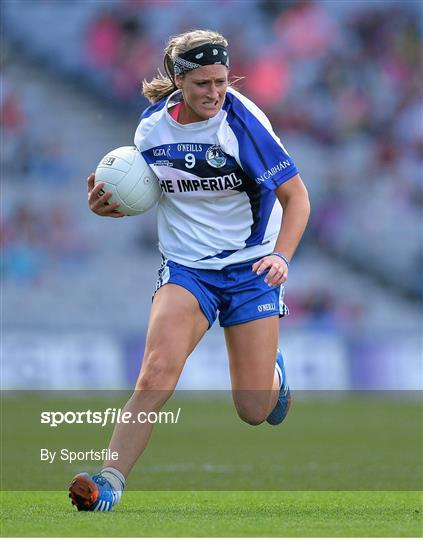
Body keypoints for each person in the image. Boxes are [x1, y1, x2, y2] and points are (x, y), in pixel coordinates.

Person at [69, 29, 310, 512]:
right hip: (187, 268)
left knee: (252, 410)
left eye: (221, 81)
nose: (215, 93)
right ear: (178, 80)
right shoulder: (150, 130)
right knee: (155, 373)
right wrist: (109, 204)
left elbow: (296, 197)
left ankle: (274, 381)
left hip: (251, 268)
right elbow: (152, 191)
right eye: (203, 83)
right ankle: (108, 485)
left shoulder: (243, 124)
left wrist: (281, 256)